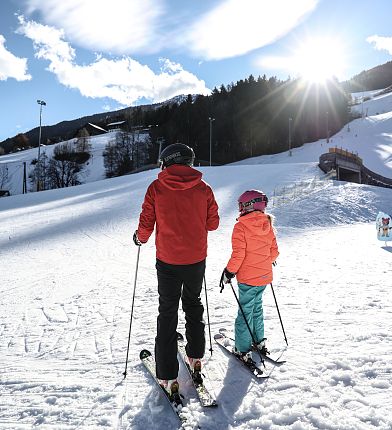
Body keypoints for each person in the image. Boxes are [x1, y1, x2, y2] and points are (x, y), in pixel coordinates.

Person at [134, 143, 219, 398]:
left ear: (167, 162)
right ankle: (195, 357)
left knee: (168, 311)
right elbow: (213, 224)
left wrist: (140, 238)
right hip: (195, 259)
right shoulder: (204, 188)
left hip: (168, 261)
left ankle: (167, 373)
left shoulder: (157, 187)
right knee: (193, 304)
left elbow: (147, 222)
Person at [221, 190, 279, 362]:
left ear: (249, 205)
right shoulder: (267, 223)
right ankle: (259, 340)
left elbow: (238, 254)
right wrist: (265, 261)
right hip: (263, 277)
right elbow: (274, 252)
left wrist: (229, 272)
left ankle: (242, 348)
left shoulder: (241, 226)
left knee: (245, 311)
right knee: (256, 308)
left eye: (241, 205)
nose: (240, 208)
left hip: (248, 279)